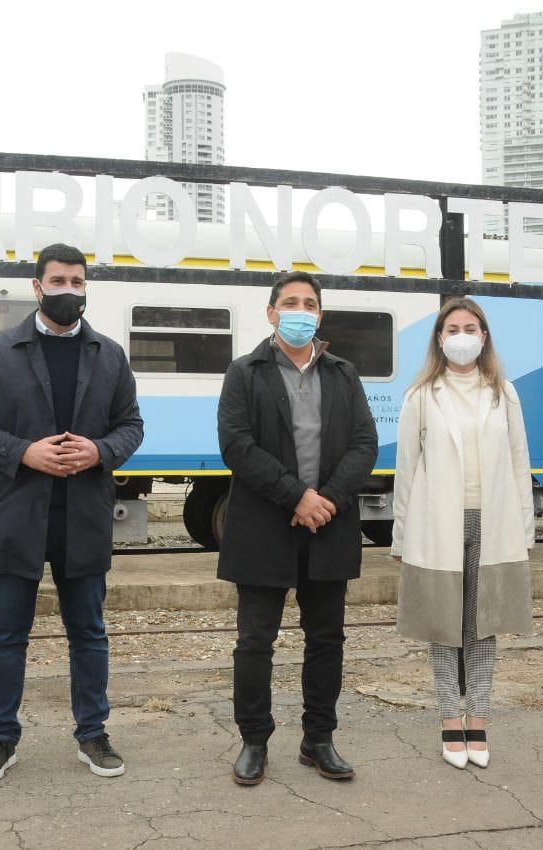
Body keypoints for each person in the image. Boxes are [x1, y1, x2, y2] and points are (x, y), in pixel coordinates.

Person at [0, 243, 143, 785]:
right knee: (6, 633)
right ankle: (0, 739)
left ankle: (93, 733)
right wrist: (23, 452)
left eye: (77, 282)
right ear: (37, 288)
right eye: (58, 281)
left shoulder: (109, 355)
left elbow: (131, 425)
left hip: (83, 515)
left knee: (89, 631)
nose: (68, 291)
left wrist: (99, 452)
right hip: (16, 513)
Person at [217, 271, 379, 786]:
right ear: (271, 313)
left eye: (310, 303)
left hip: (328, 525)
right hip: (264, 525)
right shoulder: (245, 372)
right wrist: (297, 496)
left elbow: (364, 444)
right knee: (255, 641)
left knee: (326, 639)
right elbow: (236, 445)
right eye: (290, 302)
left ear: (320, 315)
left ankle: (319, 739)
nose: (300, 311)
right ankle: (254, 741)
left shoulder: (343, 374)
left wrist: (326, 500)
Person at [390, 297, 534, 770]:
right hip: (437, 525)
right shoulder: (421, 395)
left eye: (470, 328)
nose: (462, 336)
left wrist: (525, 530)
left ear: (484, 336)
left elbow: (519, 463)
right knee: (443, 626)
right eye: (452, 329)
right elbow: (407, 470)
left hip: (494, 523)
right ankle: (450, 719)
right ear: (439, 339)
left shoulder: (503, 393)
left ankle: (479, 719)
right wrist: (401, 536)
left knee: (483, 625)